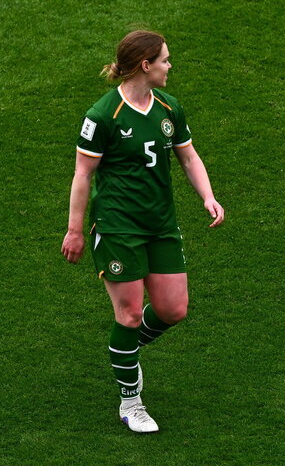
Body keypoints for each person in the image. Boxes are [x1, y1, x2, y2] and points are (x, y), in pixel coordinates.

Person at [61, 30, 225, 433]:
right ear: (145, 66)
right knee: (130, 313)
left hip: (161, 225)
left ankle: (125, 351)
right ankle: (131, 402)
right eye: (165, 60)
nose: (171, 66)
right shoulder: (102, 116)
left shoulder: (169, 107)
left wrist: (208, 196)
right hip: (118, 227)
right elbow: (83, 174)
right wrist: (75, 230)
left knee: (173, 310)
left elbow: (188, 157)